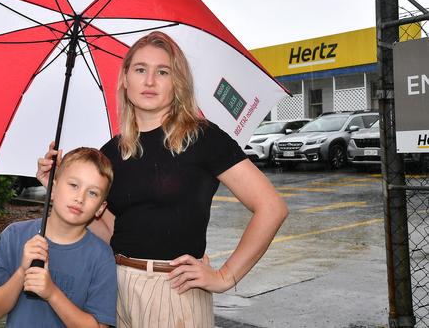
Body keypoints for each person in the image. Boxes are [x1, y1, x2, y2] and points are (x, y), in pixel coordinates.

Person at [37, 31, 288, 327]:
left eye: (163, 71)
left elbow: (272, 208)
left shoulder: (203, 138)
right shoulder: (111, 153)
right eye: (140, 69)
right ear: (126, 79)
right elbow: (112, 233)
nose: (150, 81)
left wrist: (225, 276)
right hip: (112, 286)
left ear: (177, 83)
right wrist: (56, 190)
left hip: (174, 292)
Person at [0, 147, 117, 328]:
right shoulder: (14, 236)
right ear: (52, 188)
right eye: (74, 185)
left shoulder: (101, 256)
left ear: (100, 208)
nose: (80, 198)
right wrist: (22, 271)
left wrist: (52, 293)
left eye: (92, 193)